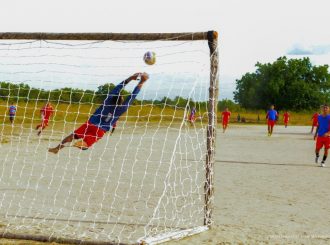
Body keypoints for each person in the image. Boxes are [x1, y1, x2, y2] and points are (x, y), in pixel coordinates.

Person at [48, 72, 149, 154]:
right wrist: (142, 82)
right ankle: (82, 144)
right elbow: (133, 95)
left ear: (113, 98)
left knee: (72, 136)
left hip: (90, 124)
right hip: (100, 130)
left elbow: (118, 87)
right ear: (121, 101)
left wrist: (131, 78)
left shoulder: (107, 101)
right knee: (86, 143)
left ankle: (57, 148)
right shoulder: (122, 108)